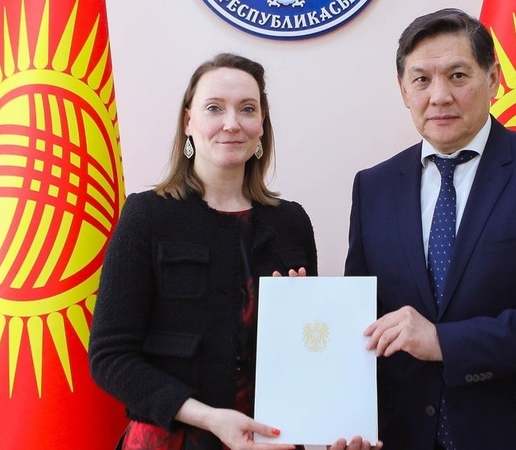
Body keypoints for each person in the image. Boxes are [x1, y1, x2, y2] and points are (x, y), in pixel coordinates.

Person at [344, 9, 516, 450]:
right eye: (421, 80)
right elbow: (363, 317)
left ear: (493, 78)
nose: (439, 96)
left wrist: (443, 342)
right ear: (403, 90)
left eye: (458, 75)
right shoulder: (373, 187)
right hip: (404, 436)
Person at [89, 53, 374, 450]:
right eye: (214, 108)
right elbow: (110, 357)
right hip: (171, 440)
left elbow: (309, 355)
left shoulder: (290, 221)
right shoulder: (146, 216)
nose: (231, 123)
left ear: (262, 126)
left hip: (270, 443)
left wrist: (331, 424)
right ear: (188, 122)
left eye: (247, 109)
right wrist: (208, 417)